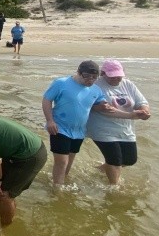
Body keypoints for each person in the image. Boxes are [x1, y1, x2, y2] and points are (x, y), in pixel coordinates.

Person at [42, 60, 119, 188]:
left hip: (79, 132)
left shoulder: (95, 90)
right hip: (59, 127)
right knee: (62, 161)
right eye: (87, 76)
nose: (90, 80)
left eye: (94, 77)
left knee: (69, 162)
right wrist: (50, 120)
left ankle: (61, 182)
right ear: (78, 72)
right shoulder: (61, 83)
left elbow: (100, 105)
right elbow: (47, 100)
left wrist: (107, 107)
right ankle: (57, 189)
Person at [87, 59, 151, 185]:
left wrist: (144, 111)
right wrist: (131, 115)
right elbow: (105, 110)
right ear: (103, 73)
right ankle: (114, 188)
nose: (116, 78)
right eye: (112, 76)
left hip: (125, 129)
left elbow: (142, 102)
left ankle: (100, 170)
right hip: (102, 129)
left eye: (119, 75)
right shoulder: (96, 86)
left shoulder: (128, 84)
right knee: (115, 160)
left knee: (129, 160)